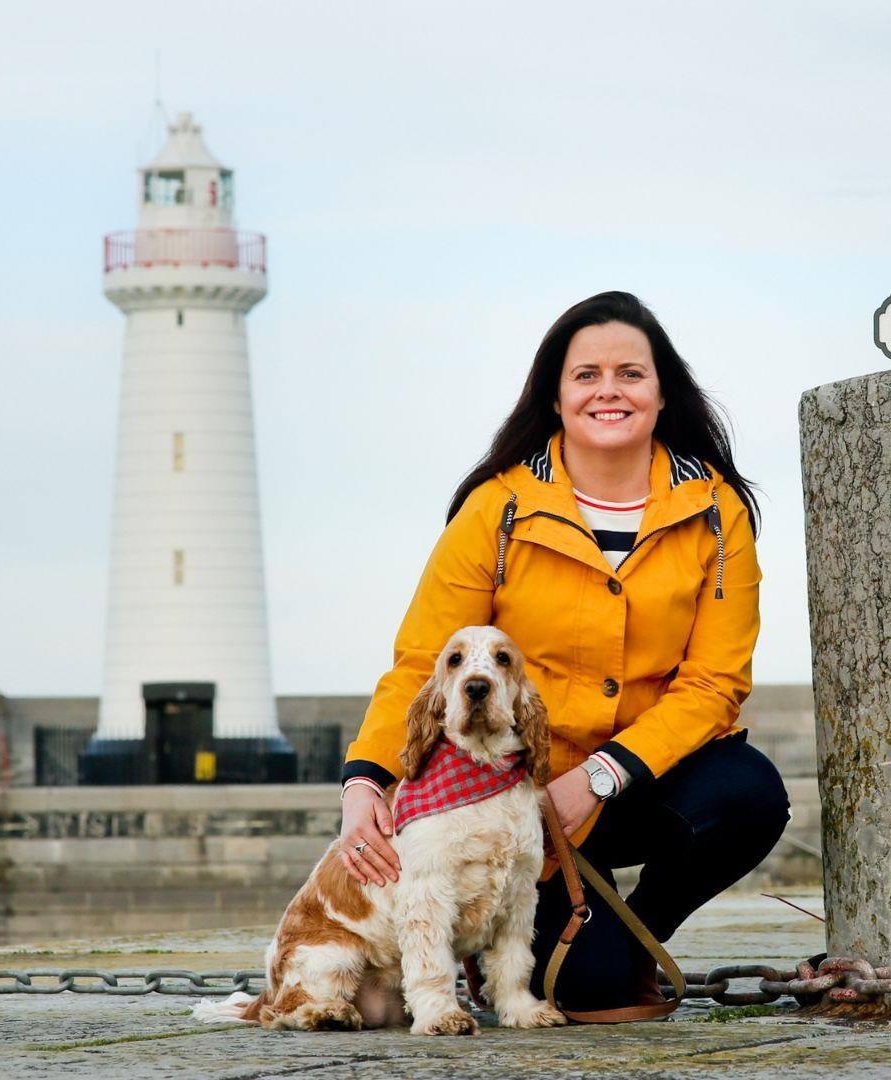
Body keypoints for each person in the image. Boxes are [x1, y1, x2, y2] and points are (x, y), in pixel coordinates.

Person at [336, 290, 790, 1014]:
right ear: (554, 396)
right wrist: (365, 780)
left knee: (749, 794)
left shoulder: (716, 512)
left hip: (645, 778)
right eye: (586, 375)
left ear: (662, 391)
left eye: (630, 373)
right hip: (517, 797)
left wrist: (602, 778)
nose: (609, 389)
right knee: (588, 992)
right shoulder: (497, 508)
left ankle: (640, 937)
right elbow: (427, 659)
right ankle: (562, 953)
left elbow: (715, 681)